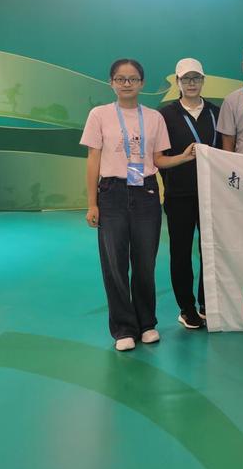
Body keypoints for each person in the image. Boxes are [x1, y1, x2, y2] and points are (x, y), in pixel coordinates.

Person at [81, 59, 195, 351]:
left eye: (133, 79)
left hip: (146, 192)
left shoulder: (154, 117)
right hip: (112, 193)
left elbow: (158, 160)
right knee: (115, 264)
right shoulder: (99, 115)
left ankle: (146, 324)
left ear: (142, 83)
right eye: (120, 79)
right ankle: (123, 328)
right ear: (111, 83)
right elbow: (93, 160)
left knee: (145, 263)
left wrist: (183, 157)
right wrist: (92, 203)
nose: (127, 84)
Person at [159, 58, 221, 330]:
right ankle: (186, 308)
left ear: (203, 81)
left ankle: (208, 303)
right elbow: (159, 156)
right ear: (177, 82)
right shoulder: (165, 115)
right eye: (186, 79)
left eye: (196, 78)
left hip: (212, 195)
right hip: (179, 196)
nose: (191, 83)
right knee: (181, 252)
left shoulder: (216, 112)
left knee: (210, 251)